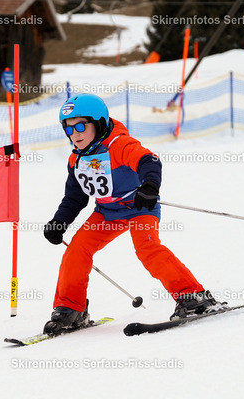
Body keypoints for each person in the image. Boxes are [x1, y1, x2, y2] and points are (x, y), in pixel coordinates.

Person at [43, 93, 226, 335]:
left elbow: (149, 161)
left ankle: (193, 297)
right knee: (76, 250)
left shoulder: (118, 144)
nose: (74, 134)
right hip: (107, 212)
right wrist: (59, 222)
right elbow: (75, 198)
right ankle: (71, 308)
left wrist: (149, 187)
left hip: (139, 206)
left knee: (147, 249)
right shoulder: (76, 159)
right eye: (68, 128)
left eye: (80, 126)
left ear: (98, 123)